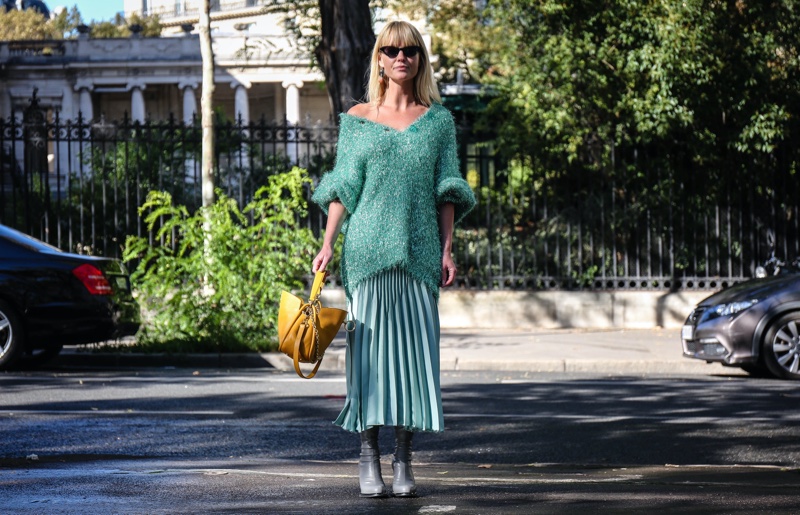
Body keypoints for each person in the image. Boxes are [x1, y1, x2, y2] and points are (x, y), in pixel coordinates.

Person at [311, 20, 476, 498]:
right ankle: (368, 455)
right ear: (379, 59)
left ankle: (404, 458)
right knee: (369, 360)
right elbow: (343, 188)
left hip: (420, 253)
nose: (401, 57)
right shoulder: (357, 119)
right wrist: (327, 244)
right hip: (365, 254)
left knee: (412, 361)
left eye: (410, 50)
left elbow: (448, 189)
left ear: (420, 59)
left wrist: (447, 248)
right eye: (392, 49)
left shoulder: (438, 122)